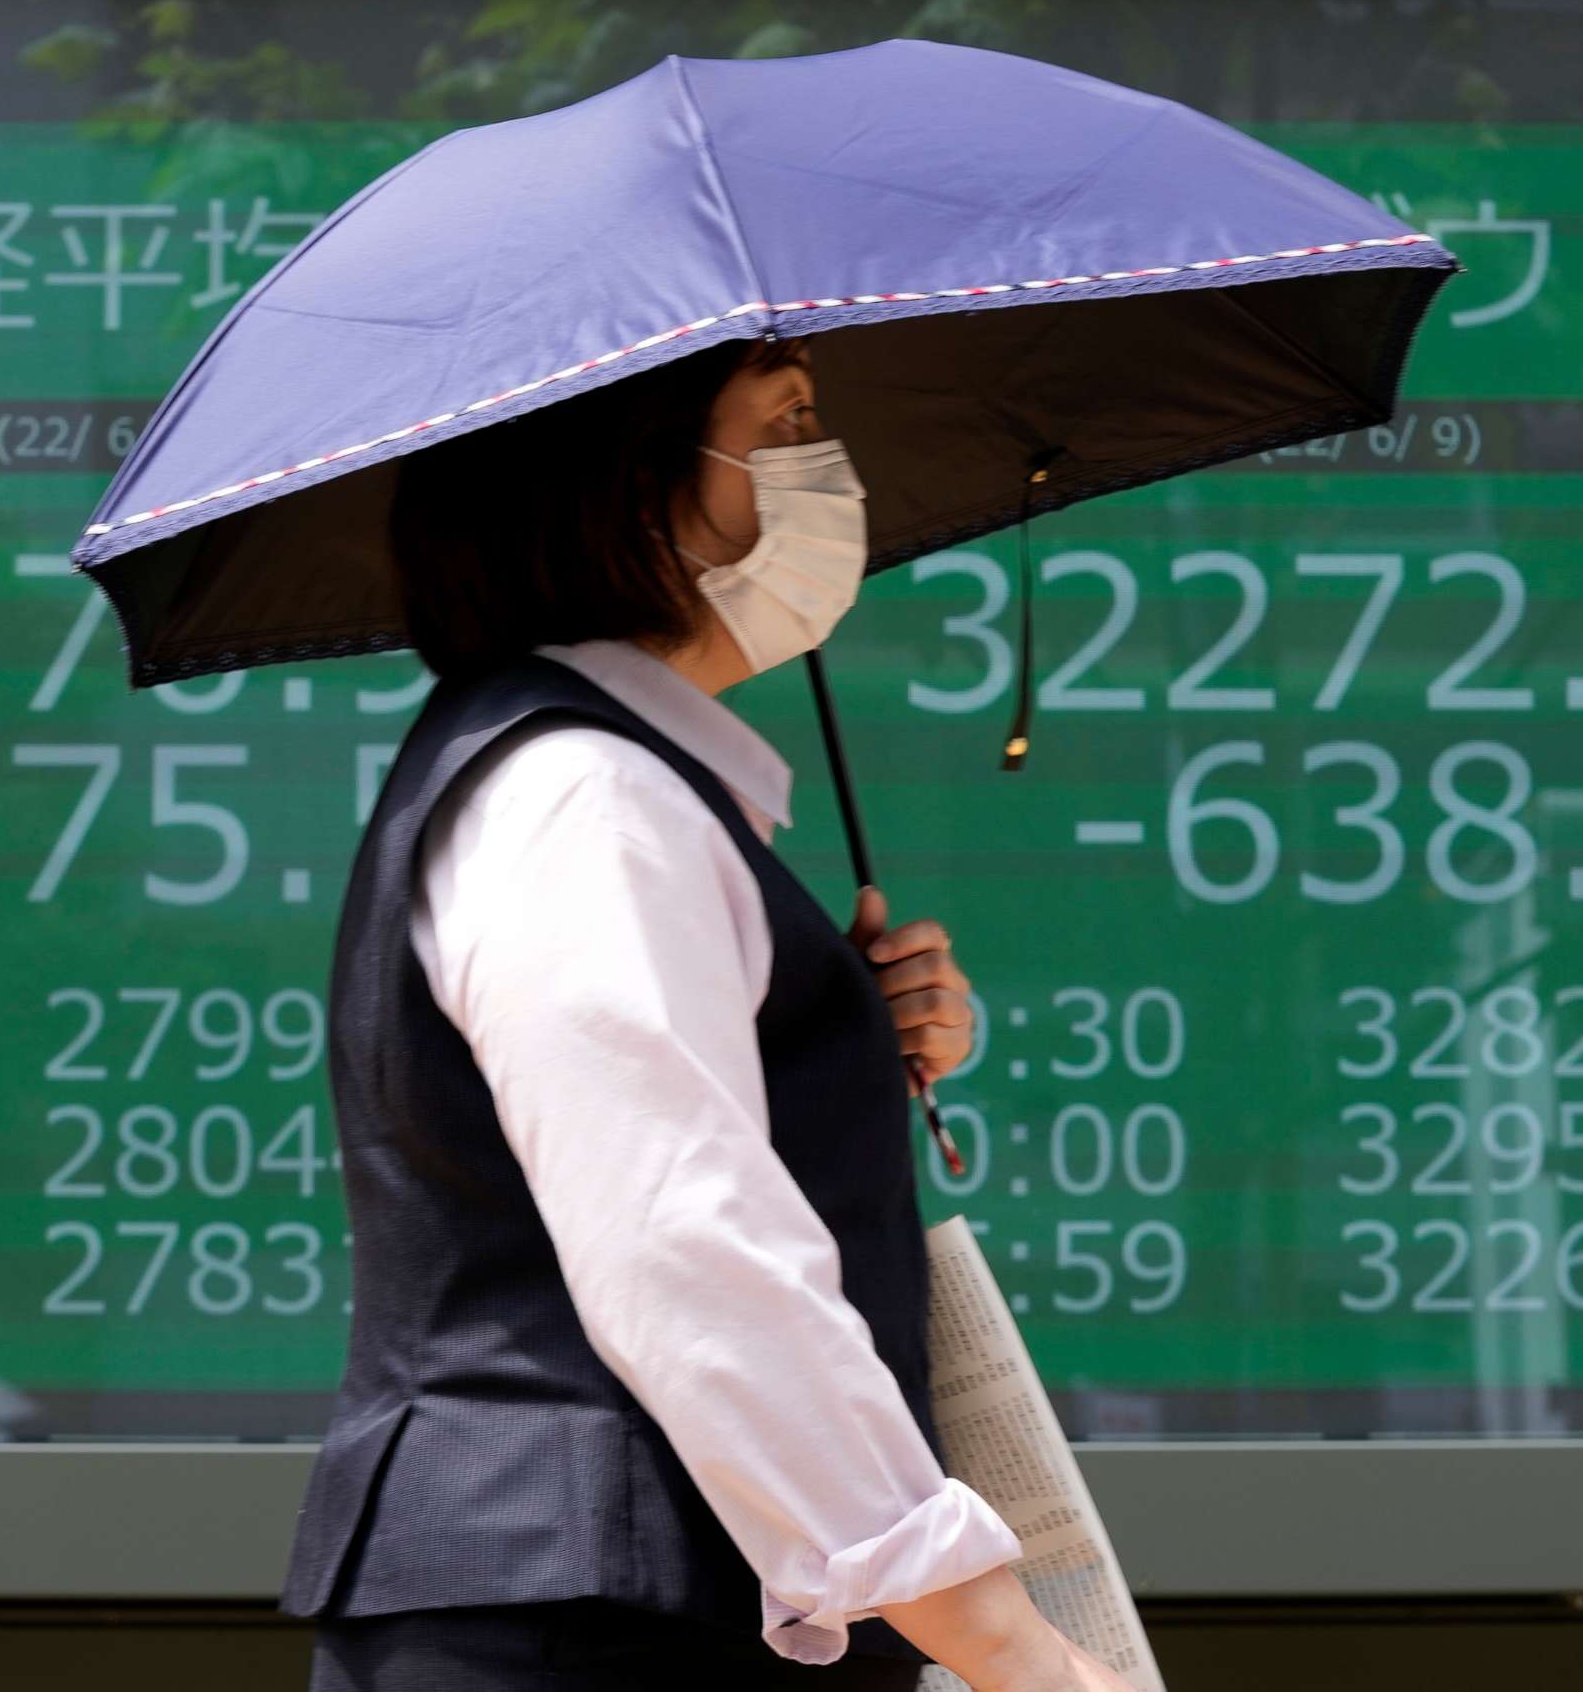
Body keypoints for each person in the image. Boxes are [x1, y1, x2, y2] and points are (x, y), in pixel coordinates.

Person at [282, 332, 1134, 1692]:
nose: (828, 468)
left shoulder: (611, 783)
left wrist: (843, 1044)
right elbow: (687, 1240)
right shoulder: (587, 798)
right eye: (786, 424)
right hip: (587, 1630)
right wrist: (1000, 1640)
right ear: (628, 480)